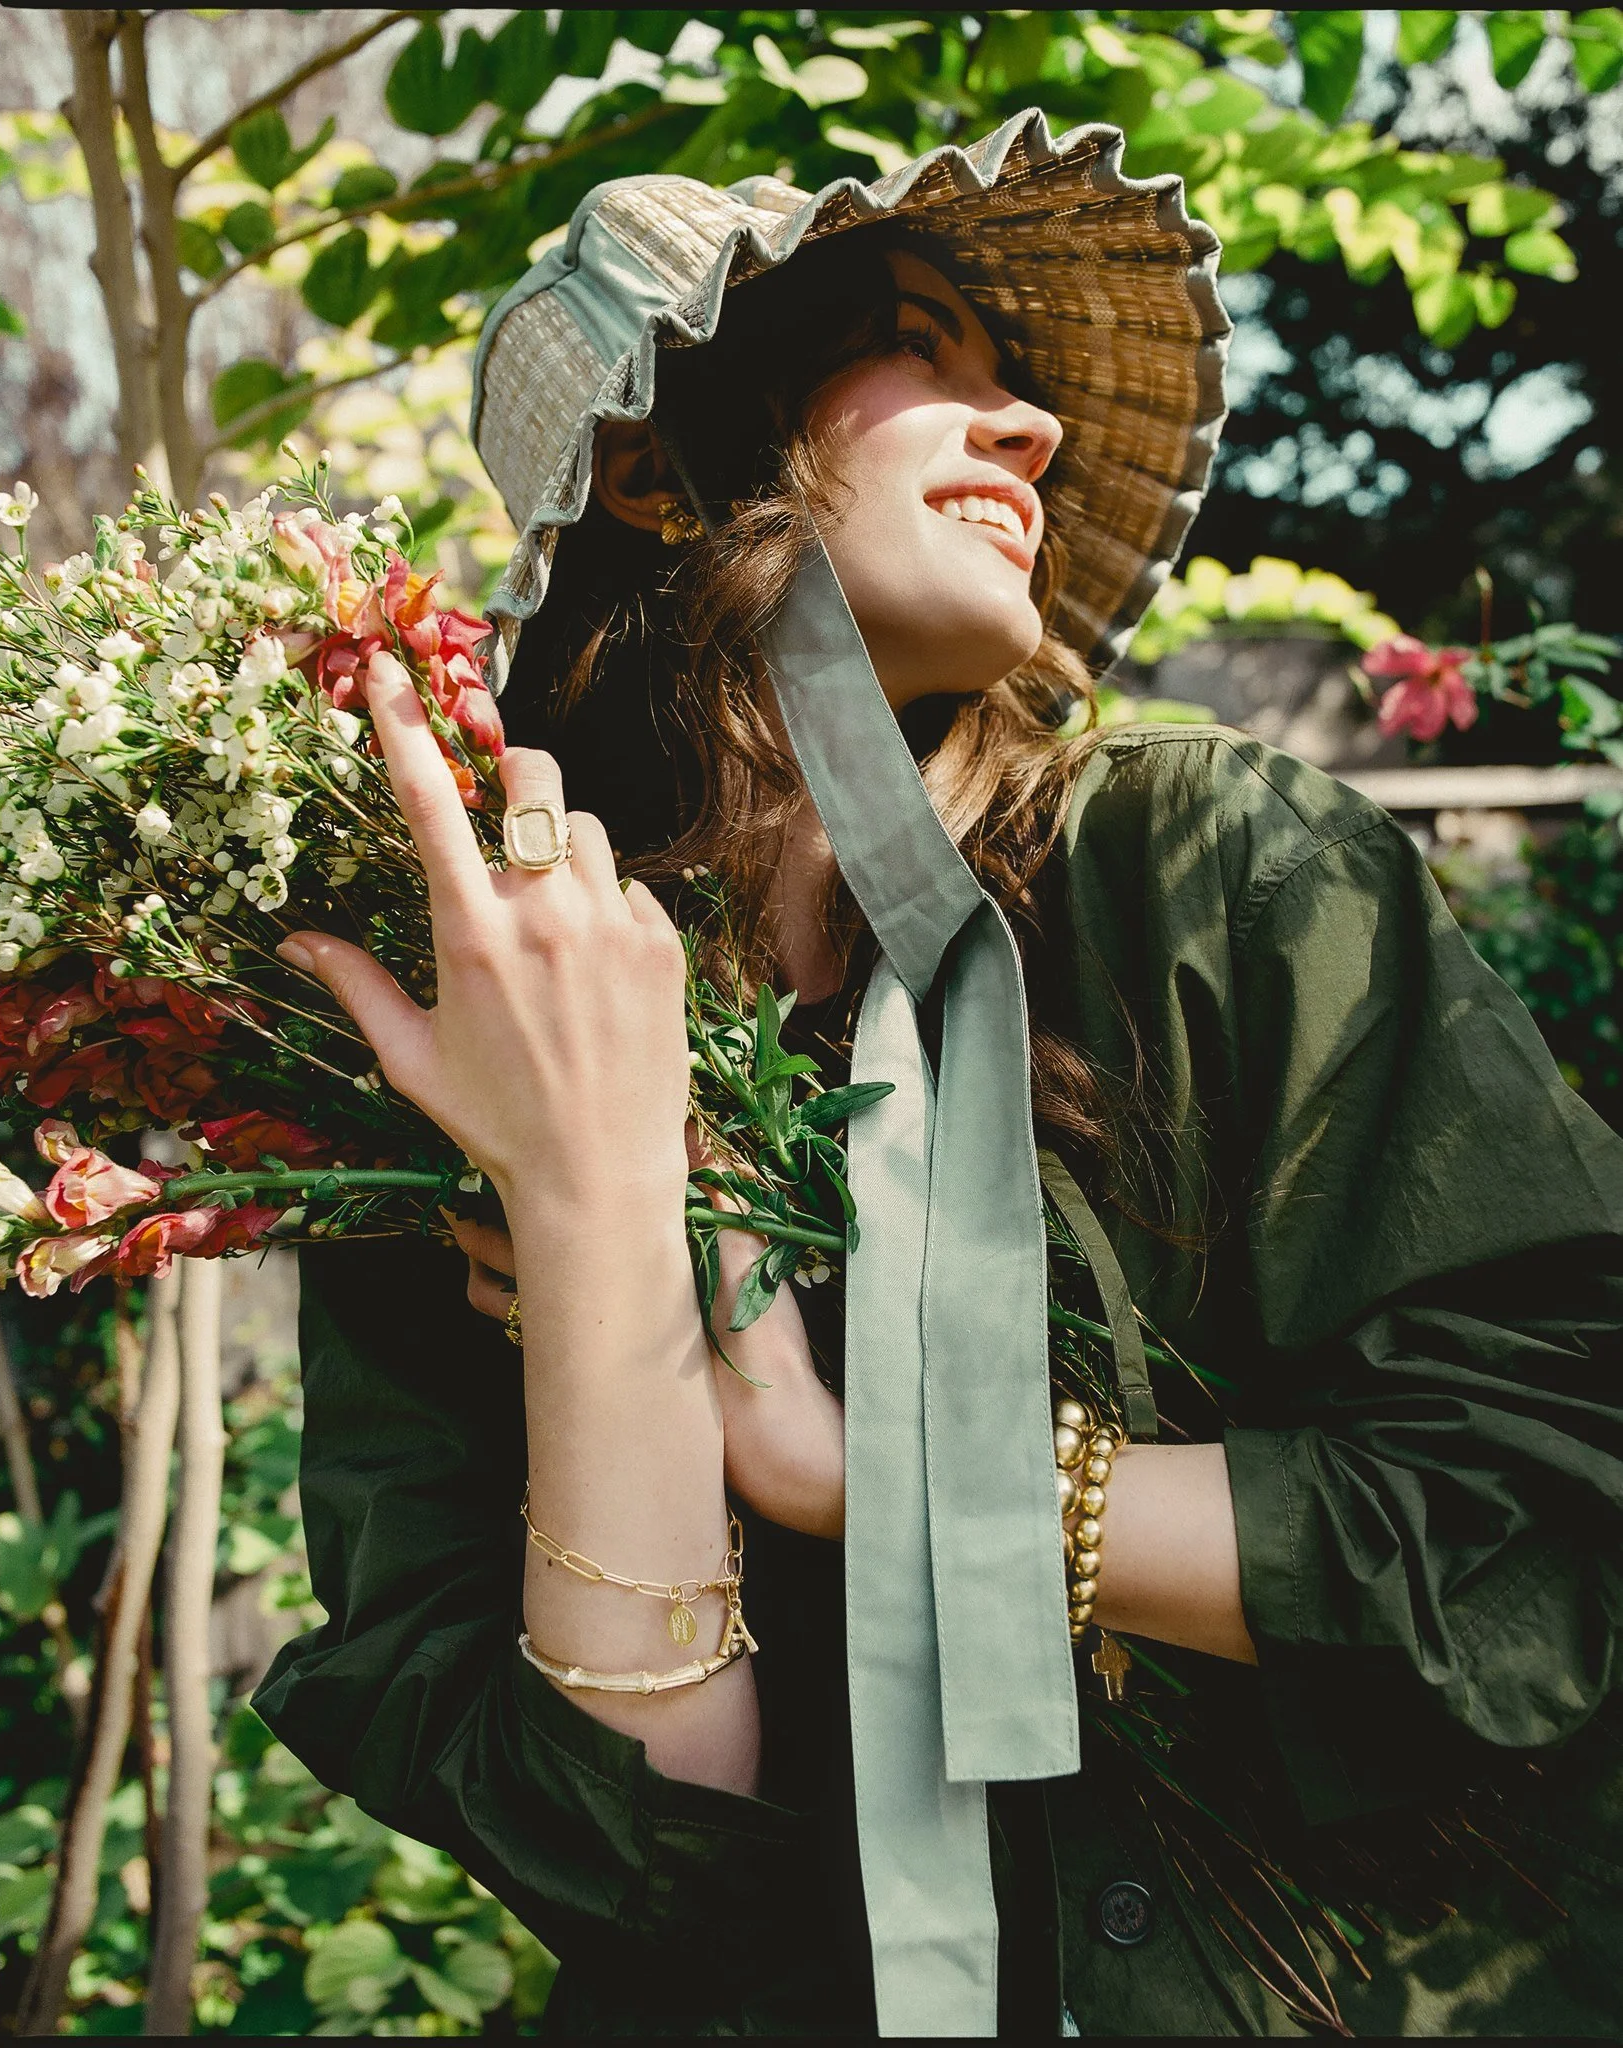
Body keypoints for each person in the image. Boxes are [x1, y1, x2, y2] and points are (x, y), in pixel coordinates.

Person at [255, 113, 1623, 2037]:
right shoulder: (440, 1056)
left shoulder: (1205, 870)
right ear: (656, 466)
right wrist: (595, 1229)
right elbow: (642, 1874)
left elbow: (1543, 1523)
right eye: (918, 345)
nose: (1031, 427)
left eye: (1017, 375)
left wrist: (847, 1473)